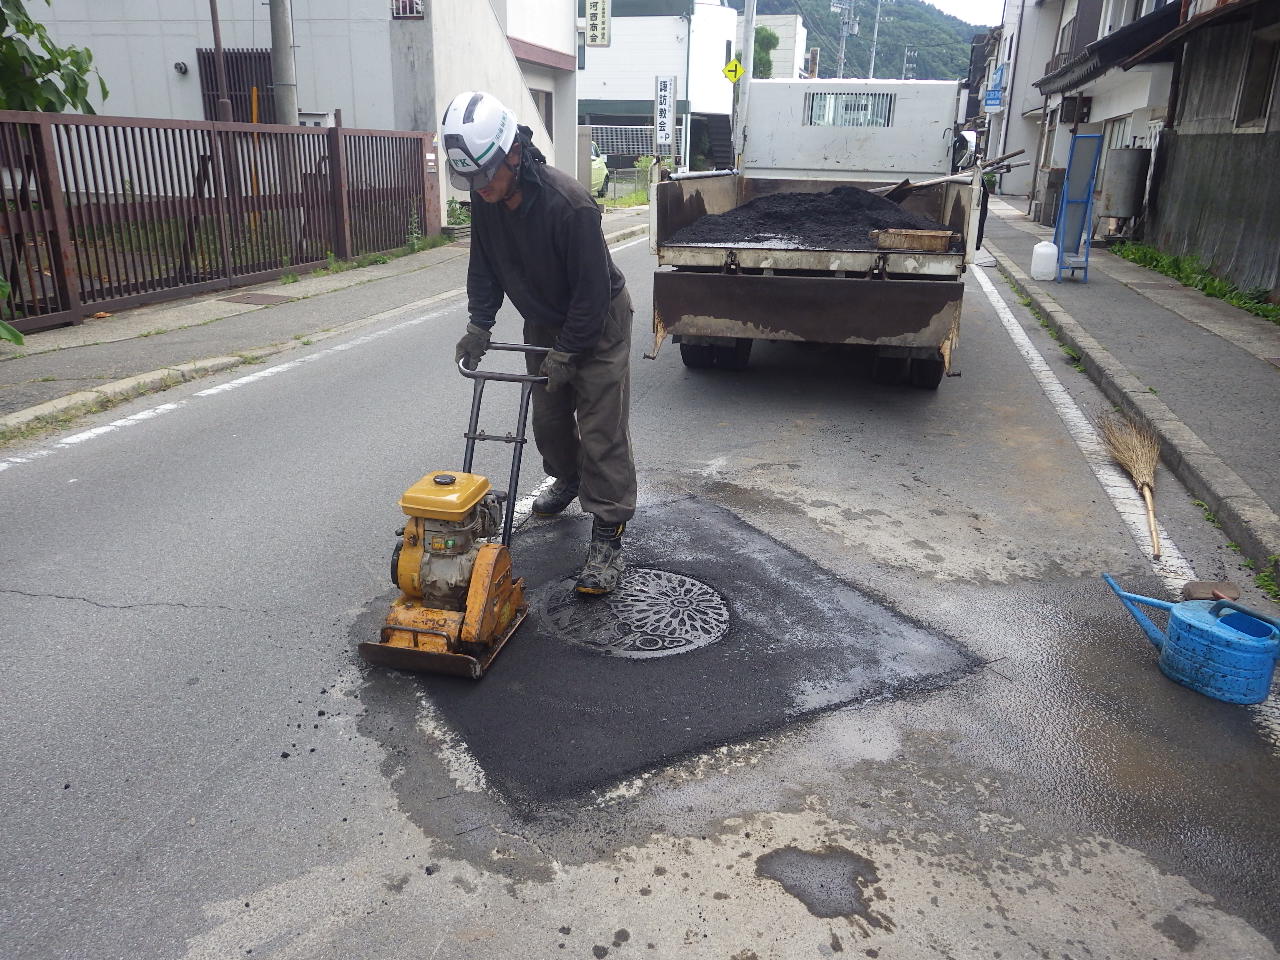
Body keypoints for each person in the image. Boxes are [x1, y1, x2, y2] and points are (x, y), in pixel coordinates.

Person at [442, 90, 636, 596]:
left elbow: (592, 294)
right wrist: (479, 325)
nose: (480, 188)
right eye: (471, 180)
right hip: (544, 323)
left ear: (513, 153)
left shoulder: (569, 205)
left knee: (601, 430)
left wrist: (569, 352)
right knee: (548, 421)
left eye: (485, 176)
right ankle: (566, 476)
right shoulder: (487, 201)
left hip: (598, 322)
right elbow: (484, 266)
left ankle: (608, 533)